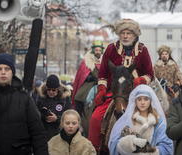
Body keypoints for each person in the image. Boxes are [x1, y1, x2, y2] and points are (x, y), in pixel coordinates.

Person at [88, 19, 154, 150]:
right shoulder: (111, 49)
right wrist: (102, 89)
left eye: (128, 33)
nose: (125, 36)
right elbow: (102, 73)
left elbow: (150, 74)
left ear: (134, 35)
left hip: (138, 93)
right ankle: (93, 149)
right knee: (95, 118)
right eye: (123, 33)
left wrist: (138, 81)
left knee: (156, 117)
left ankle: (154, 146)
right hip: (115, 92)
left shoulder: (143, 50)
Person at [109, 85, 173, 155]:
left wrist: (150, 151)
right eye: (139, 99)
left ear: (150, 101)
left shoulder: (158, 122)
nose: (142, 102)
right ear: (135, 101)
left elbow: (167, 147)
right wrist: (131, 141)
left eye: (146, 99)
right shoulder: (127, 120)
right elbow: (115, 144)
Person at [72, 40, 104, 116]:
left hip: (102, 83)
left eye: (100, 50)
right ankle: (78, 116)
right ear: (93, 50)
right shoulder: (86, 61)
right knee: (78, 96)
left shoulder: (105, 61)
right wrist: (89, 77)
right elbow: (82, 74)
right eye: (96, 50)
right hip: (89, 83)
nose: (98, 52)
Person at [37, 74, 73, 141]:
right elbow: (34, 114)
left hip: (59, 136)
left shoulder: (65, 99)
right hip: (43, 135)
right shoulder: (41, 98)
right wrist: (41, 113)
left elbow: (70, 116)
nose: (51, 92)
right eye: (48, 90)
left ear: (58, 89)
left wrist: (57, 119)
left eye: (54, 90)